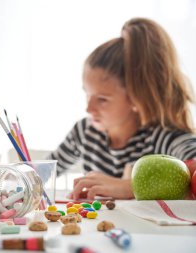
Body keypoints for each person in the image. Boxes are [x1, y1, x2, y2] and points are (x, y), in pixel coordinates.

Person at [49, 18, 196, 200]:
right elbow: (45, 171)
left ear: (136, 98)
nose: (89, 108)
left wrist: (132, 187)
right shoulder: (84, 132)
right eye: (87, 94)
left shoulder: (162, 138)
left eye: (102, 99)